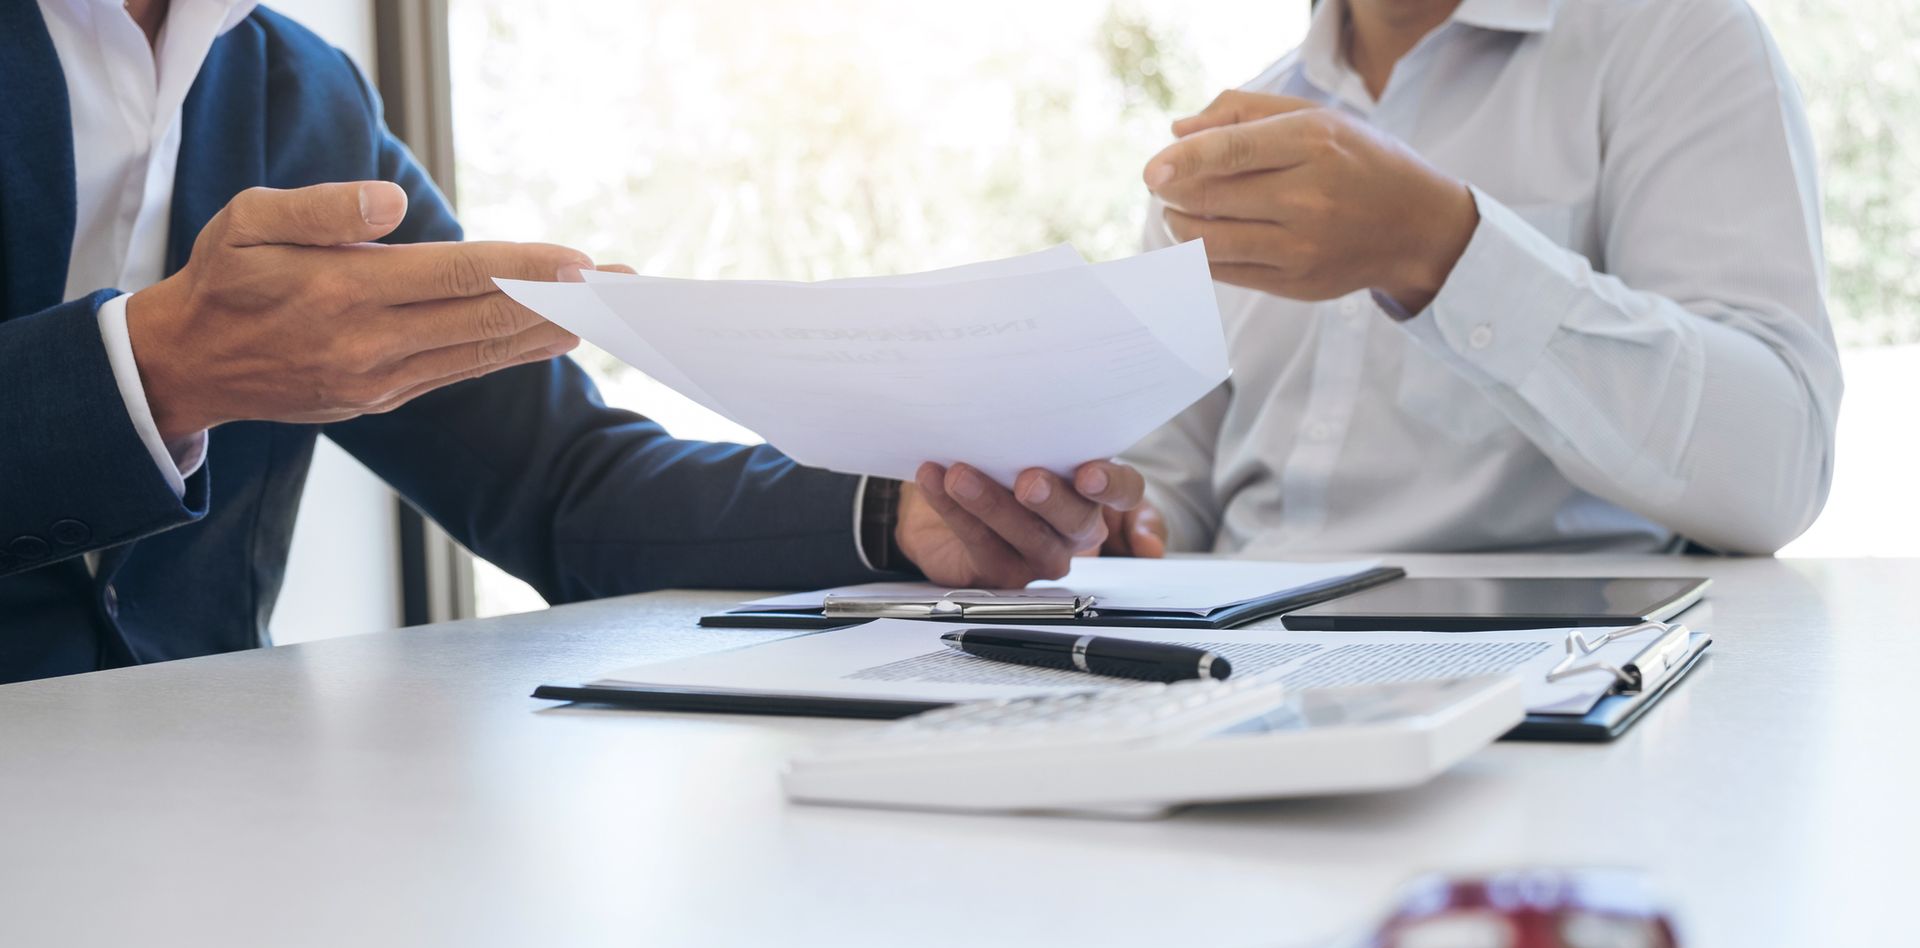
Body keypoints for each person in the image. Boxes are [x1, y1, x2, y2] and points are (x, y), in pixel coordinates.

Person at [0, 0, 1151, 685]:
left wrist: (894, 516)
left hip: (199, 795)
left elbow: (558, 485)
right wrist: (156, 372)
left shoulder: (299, 91)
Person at [1103, 0, 1842, 559]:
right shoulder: (1230, 144)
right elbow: (1167, 481)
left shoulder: (1677, 38)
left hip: (1558, 665)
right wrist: (1106, 527)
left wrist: (1443, 250)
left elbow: (1776, 472)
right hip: (1233, 665)